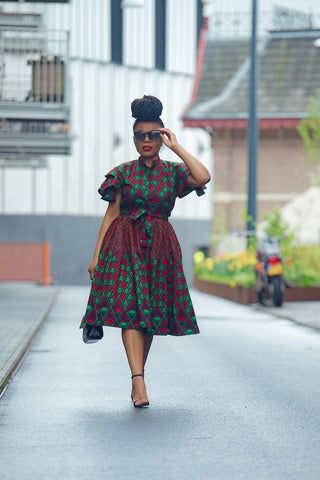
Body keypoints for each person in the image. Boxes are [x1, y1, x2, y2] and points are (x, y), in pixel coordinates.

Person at [81, 95, 211, 408]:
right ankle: (138, 382)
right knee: (130, 310)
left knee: (149, 314)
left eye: (154, 135)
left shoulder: (174, 173)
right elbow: (111, 214)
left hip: (160, 248)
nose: (147, 141)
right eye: (141, 135)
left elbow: (203, 176)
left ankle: (138, 375)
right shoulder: (122, 173)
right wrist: (97, 256)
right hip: (124, 245)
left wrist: (176, 146)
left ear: (162, 136)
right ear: (134, 138)